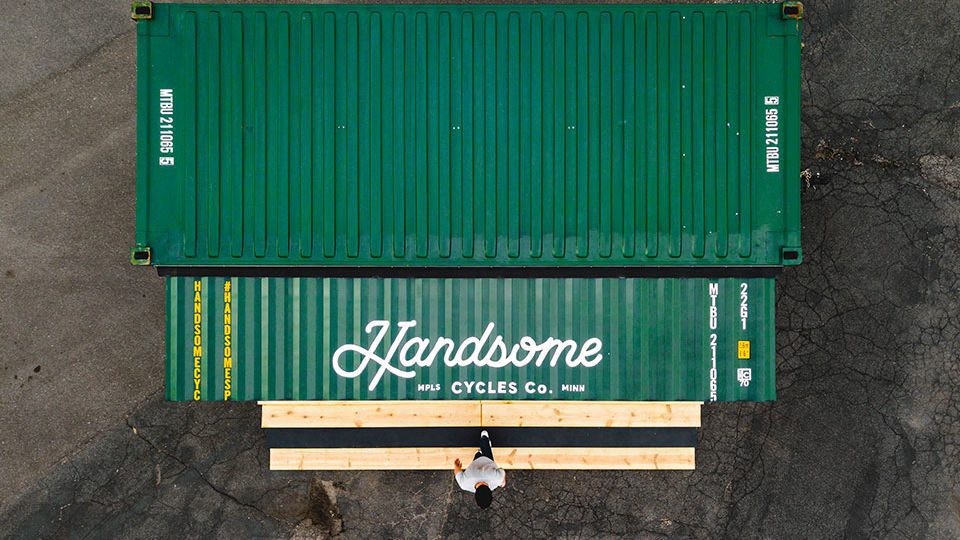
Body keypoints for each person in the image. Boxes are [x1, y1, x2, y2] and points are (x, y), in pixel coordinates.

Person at [454, 430, 506, 509]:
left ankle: (484, 438)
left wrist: (503, 480)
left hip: (488, 461)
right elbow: (457, 471)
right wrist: (457, 466)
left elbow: (501, 470)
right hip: (474, 465)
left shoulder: (497, 479)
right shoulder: (464, 484)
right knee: (476, 460)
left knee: (486, 448)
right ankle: (478, 453)